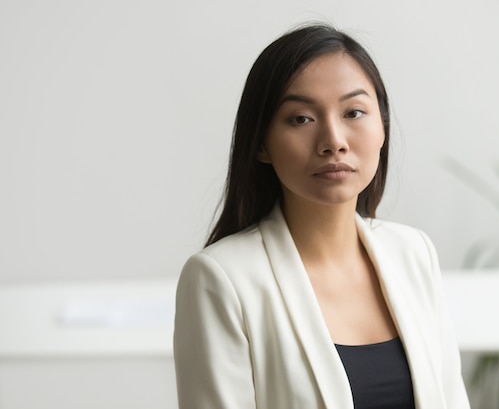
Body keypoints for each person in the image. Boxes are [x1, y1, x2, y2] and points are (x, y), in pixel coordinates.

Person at [173, 23, 471, 409]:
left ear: (382, 127)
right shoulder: (222, 280)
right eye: (301, 118)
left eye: (354, 112)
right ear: (261, 143)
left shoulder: (413, 253)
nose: (333, 141)